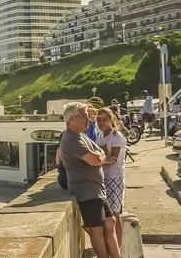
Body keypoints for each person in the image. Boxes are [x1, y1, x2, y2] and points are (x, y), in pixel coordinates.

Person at [60, 102, 121, 258]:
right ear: (72, 119)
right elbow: (95, 159)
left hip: (97, 190)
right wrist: (102, 158)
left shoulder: (81, 135)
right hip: (87, 192)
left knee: (110, 222)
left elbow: (99, 152)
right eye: (84, 115)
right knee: (96, 229)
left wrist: (100, 157)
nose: (89, 118)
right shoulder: (71, 139)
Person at [95, 108, 127, 250]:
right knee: (107, 216)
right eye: (99, 119)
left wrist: (94, 160)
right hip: (103, 179)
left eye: (104, 119)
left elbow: (112, 160)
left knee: (114, 215)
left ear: (111, 119)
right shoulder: (100, 136)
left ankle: (118, 248)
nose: (101, 122)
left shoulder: (116, 137)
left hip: (115, 178)